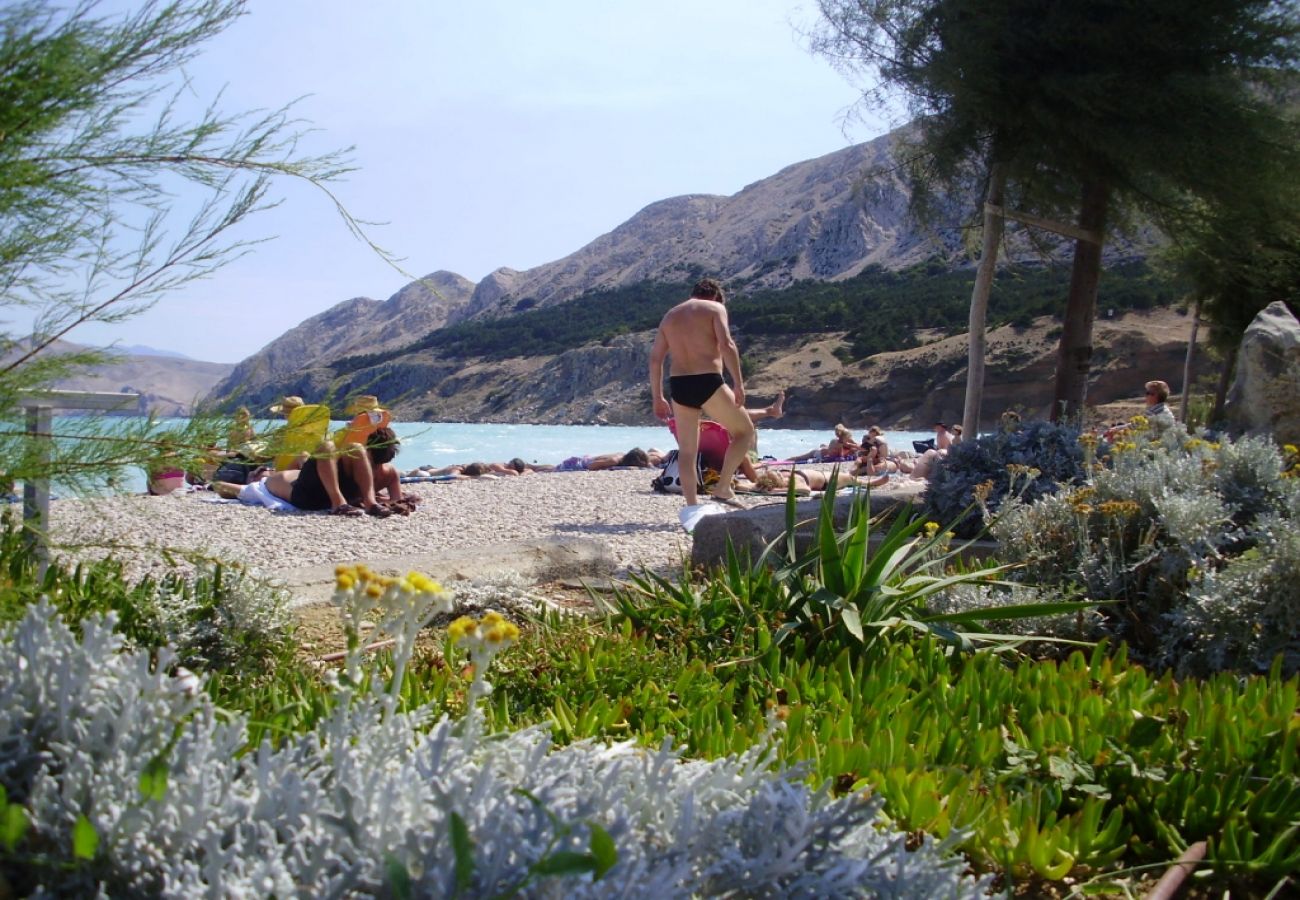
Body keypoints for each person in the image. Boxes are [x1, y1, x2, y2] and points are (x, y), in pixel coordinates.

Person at [649, 278, 754, 506]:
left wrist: (658, 397)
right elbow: (727, 345)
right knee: (744, 432)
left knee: (687, 450)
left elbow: (656, 359)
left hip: (679, 384)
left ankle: (692, 505)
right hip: (707, 380)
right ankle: (723, 488)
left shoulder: (670, 316)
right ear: (716, 296)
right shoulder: (715, 308)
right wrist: (739, 383)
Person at [264, 426, 412, 517]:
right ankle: (369, 503)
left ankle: (340, 504)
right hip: (328, 492)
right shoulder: (389, 474)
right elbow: (396, 500)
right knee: (352, 448)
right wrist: (379, 499)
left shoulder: (360, 467)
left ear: (369, 448)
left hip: (308, 496)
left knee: (327, 446)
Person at [740, 466, 888, 495]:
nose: (780, 472)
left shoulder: (767, 482)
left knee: (850, 476)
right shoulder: (793, 480)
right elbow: (805, 490)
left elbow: (752, 486)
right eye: (778, 474)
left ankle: (868, 482)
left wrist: (737, 484)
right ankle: (870, 484)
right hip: (827, 481)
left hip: (820, 473)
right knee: (849, 478)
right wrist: (778, 490)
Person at [790, 423, 859, 463]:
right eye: (849, 437)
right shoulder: (839, 442)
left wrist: (852, 446)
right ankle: (785, 461)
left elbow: (858, 446)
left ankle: (786, 460)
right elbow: (841, 455)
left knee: (800, 457)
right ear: (845, 437)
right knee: (800, 458)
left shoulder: (847, 441)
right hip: (818, 453)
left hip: (823, 451)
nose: (850, 438)